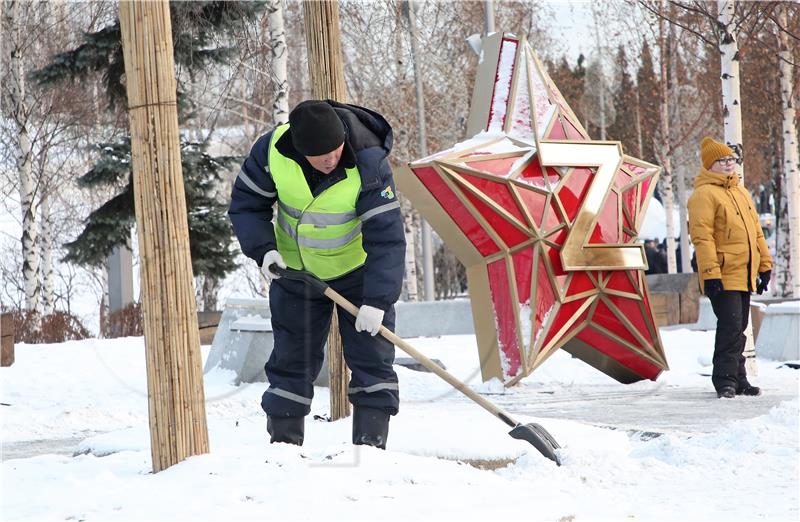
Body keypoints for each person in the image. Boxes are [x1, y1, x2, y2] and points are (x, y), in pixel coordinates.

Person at [229, 100, 406, 448]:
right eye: (321, 155)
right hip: (296, 274)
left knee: (373, 358)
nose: (331, 159)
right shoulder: (272, 153)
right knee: (291, 357)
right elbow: (247, 205)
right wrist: (264, 251)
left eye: (336, 150)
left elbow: (387, 237)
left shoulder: (368, 162)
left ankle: (370, 448)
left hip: (358, 274)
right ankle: (284, 449)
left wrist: (378, 300)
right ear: (299, 149)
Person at [687, 137, 772, 399]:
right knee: (730, 327)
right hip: (723, 273)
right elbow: (703, 237)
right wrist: (711, 274)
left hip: (745, 272)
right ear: (710, 165)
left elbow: (757, 233)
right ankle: (724, 380)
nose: (729, 164)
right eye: (722, 161)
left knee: (740, 328)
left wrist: (765, 264)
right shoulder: (703, 194)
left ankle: (739, 378)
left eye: (731, 160)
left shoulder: (740, 192)